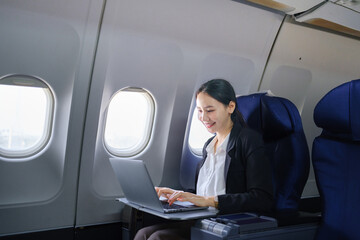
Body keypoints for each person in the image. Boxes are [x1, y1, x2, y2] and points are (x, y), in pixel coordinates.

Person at [134, 79, 273, 240]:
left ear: (230, 107)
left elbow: (262, 198)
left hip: (225, 223)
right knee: (142, 234)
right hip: (200, 219)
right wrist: (178, 195)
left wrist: (209, 201)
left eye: (210, 110)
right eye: (199, 111)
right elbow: (203, 193)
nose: (203, 117)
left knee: (158, 238)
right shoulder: (209, 145)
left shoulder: (248, 141)